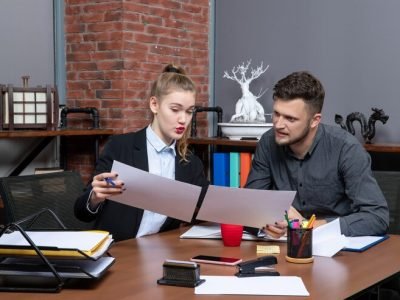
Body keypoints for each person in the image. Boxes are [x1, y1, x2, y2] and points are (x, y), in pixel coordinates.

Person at [245, 71, 389, 237]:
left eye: (290, 119)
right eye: (277, 114)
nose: (278, 125)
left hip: (338, 249)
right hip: (283, 247)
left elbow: (377, 217)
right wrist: (269, 223)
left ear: (315, 120)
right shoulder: (268, 142)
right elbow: (251, 204)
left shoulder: (346, 148)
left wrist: (306, 226)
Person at [74, 64, 208, 241]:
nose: (183, 119)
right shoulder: (121, 147)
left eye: (189, 111)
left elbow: (212, 205)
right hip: (117, 251)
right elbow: (81, 212)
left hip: (159, 252)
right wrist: (94, 198)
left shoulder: (190, 162)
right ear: (154, 105)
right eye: (175, 110)